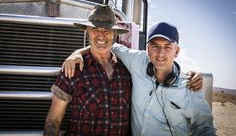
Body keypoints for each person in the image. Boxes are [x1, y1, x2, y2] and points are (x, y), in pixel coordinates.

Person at [62, 22, 214, 136]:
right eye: (155, 46)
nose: (160, 53)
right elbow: (106, 44)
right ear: (147, 48)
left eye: (167, 47)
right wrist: (78, 52)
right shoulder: (136, 61)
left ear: (177, 51)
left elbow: (205, 129)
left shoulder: (190, 86)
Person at [44, 4, 132, 135]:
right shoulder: (73, 69)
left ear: (114, 34)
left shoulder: (126, 71)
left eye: (107, 30)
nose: (101, 35)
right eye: (95, 29)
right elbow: (54, 119)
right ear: (87, 30)